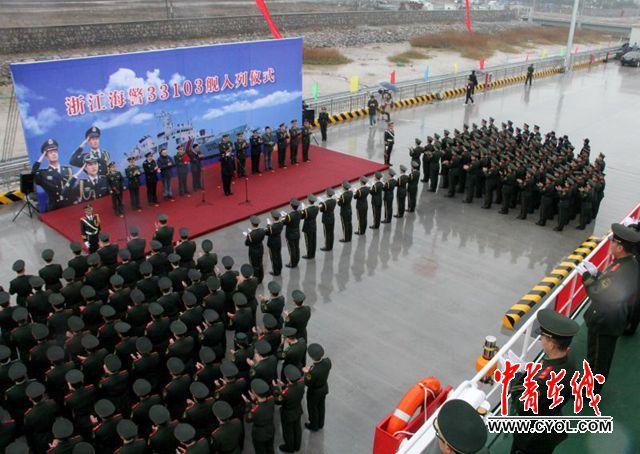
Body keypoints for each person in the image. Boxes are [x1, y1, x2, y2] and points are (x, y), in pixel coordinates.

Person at [510, 308, 578, 454]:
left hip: (533, 435)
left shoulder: (544, 379)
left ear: (552, 344)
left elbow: (522, 405)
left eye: (543, 337)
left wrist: (514, 378)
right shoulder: (569, 358)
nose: (540, 339)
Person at [580, 224, 640, 390]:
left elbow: (598, 292)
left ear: (620, 247)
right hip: (610, 317)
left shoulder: (621, 269)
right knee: (595, 355)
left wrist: (586, 277)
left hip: (606, 321)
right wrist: (598, 275)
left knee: (599, 359)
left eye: (613, 242)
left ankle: (591, 391)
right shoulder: (627, 263)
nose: (611, 245)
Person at [32, 138, 75, 211]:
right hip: (54, 208)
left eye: (55, 151)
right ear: (46, 156)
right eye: (50, 152)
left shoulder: (68, 170)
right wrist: (40, 159)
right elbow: (32, 175)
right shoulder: (43, 173)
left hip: (69, 205)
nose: (54, 154)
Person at [274, 365, 305, 453]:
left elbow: (278, 401)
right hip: (297, 409)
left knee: (288, 432)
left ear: (288, 379)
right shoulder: (301, 383)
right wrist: (284, 386)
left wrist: (276, 388)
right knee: (297, 428)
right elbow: (291, 390)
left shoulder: (285, 393)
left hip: (288, 414)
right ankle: (297, 446)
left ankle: (289, 448)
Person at [303, 343, 331, 432]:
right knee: (321, 406)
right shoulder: (328, 362)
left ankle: (314, 425)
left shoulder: (313, 372)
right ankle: (320, 423)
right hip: (324, 388)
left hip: (314, 392)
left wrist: (307, 372)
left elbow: (308, 383)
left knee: (312, 408)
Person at [245, 216, 266, 283]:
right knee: (260, 263)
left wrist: (247, 236)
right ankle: (261, 277)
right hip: (260, 249)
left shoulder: (250, 235)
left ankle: (256, 279)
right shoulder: (262, 230)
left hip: (253, 251)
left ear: (252, 224)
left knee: (254, 266)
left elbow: (247, 243)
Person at [283, 199, 302, 268]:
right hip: (297, 233)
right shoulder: (299, 212)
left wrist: (285, 216)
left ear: (291, 206)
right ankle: (297, 260)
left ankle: (292, 263)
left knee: (291, 249)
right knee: (297, 247)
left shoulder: (289, 216)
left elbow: (284, 222)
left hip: (290, 235)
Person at [265, 210, 284, 277]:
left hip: (272, 243)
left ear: (273, 218)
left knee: (273, 257)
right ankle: (280, 267)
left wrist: (268, 225)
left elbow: (267, 233)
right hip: (278, 241)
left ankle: (276, 271)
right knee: (278, 255)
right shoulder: (281, 223)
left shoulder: (272, 227)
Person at [301, 194, 319, 259]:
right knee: (313, 240)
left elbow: (301, 217)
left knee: (308, 241)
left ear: (308, 201)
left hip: (307, 227)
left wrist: (303, 209)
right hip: (313, 225)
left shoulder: (306, 210)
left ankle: (309, 255)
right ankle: (313, 254)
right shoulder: (317, 208)